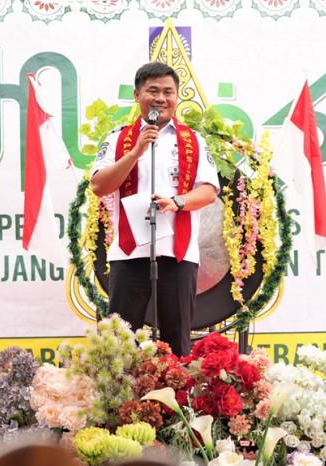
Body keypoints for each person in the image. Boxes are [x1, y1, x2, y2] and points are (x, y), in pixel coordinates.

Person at [90, 63, 219, 356]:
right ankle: (123, 388)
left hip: (178, 253)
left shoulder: (194, 141)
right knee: (120, 344)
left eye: (168, 92)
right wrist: (135, 152)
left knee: (177, 341)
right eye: (153, 91)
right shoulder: (117, 139)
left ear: (176, 97)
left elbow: (209, 191)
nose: (161, 98)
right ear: (137, 95)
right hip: (129, 252)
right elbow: (99, 185)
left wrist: (178, 202)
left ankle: (175, 387)